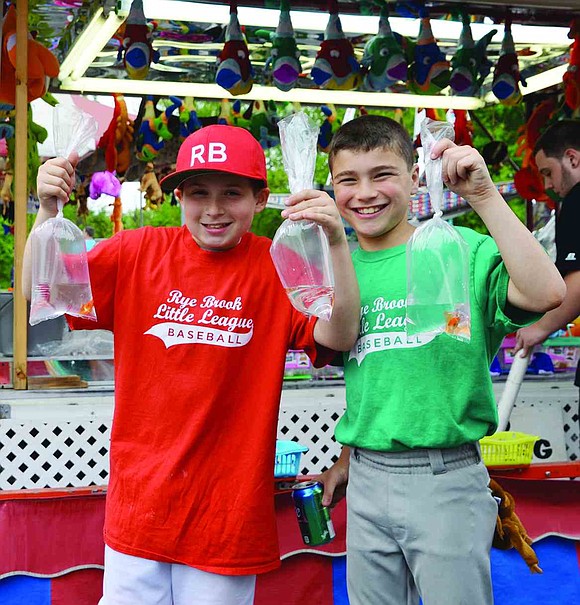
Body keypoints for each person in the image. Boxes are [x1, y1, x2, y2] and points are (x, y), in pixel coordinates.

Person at [23, 124, 360, 605]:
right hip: (141, 507)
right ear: (177, 195)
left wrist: (336, 242)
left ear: (261, 199)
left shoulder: (279, 264)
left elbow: (339, 334)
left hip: (228, 513)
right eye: (199, 192)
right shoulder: (136, 251)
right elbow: (46, 288)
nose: (215, 209)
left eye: (232, 193)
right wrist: (48, 212)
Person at [318, 114, 566, 605]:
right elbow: (375, 376)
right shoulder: (334, 266)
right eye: (348, 179)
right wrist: (348, 457)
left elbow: (548, 292)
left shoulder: (460, 250)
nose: (364, 192)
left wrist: (484, 196)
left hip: (445, 478)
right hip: (365, 479)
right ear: (332, 187)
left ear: (414, 177)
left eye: (383, 174)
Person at [514, 119, 580, 448]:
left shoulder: (577, 201)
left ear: (573, 158)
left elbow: (578, 281)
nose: (548, 184)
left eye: (547, 172)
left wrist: (541, 327)